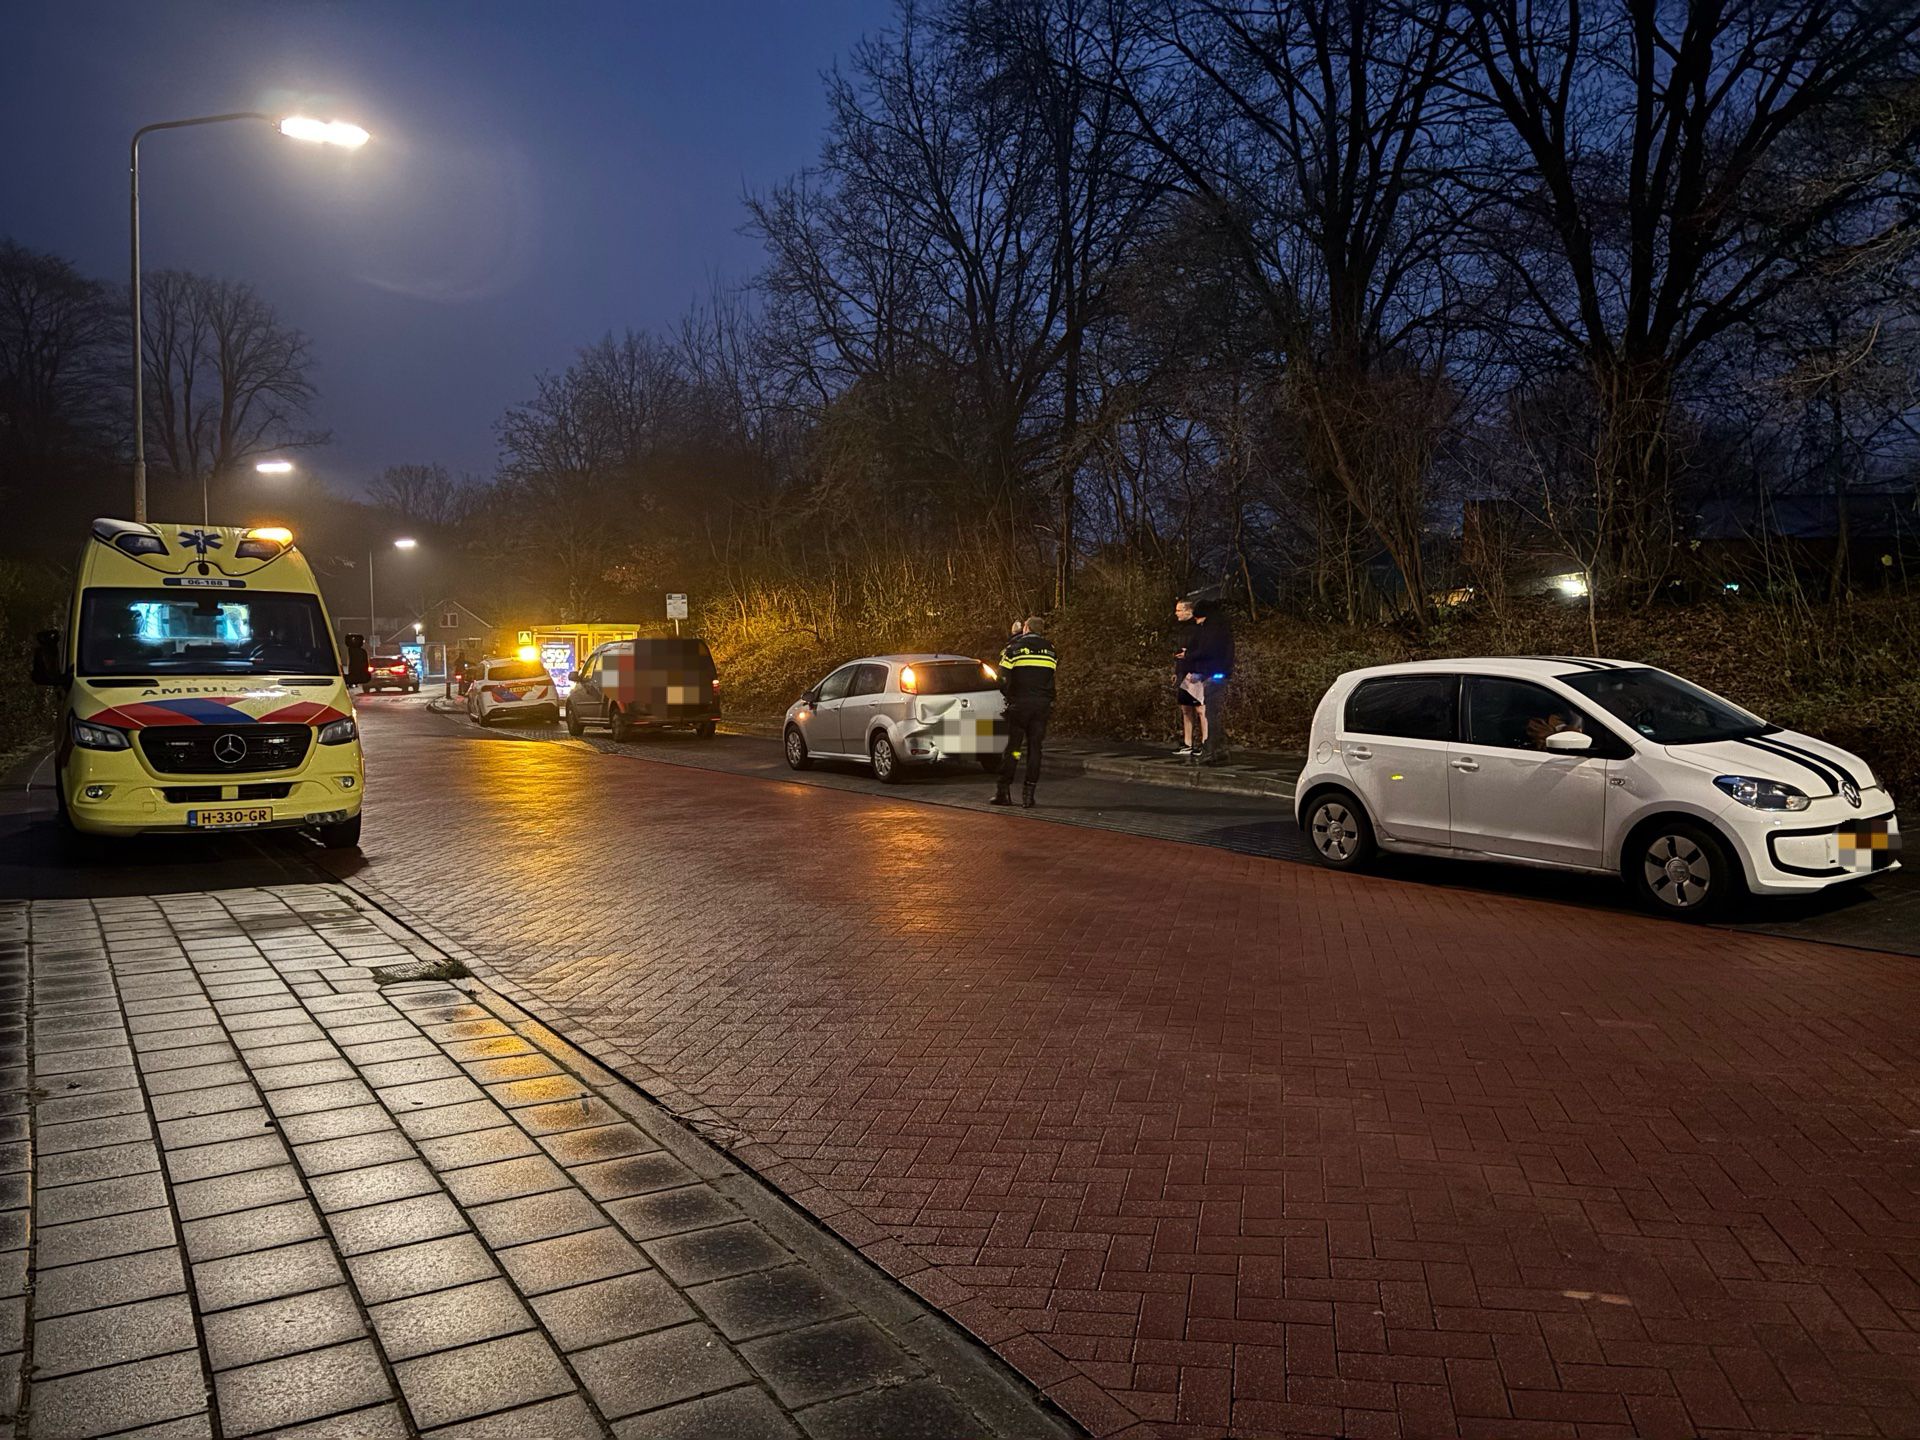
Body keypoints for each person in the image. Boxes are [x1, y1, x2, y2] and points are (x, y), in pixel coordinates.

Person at [993, 614, 1057, 808]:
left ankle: (1004, 791)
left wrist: (1010, 696)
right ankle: (1029, 795)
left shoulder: (1013, 650)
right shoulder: (1051, 651)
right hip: (1041, 707)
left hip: (1020, 706)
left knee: (1013, 749)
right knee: (1035, 749)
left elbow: (1002, 679)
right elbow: (1050, 677)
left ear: (1026, 629)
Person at [1180, 600, 1234, 764]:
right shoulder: (1222, 627)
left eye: (1198, 619)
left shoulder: (1212, 630)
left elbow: (1206, 650)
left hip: (1213, 675)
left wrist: (1188, 655)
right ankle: (1219, 750)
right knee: (1213, 713)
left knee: (1211, 715)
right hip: (1219, 674)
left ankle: (1213, 750)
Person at [1171, 597, 1203, 756]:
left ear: (1188, 611)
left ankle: (1204, 743)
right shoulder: (1180, 630)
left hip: (1195, 673)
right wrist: (1177, 672)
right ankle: (1187, 743)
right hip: (1183, 672)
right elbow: (1178, 653)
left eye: (1178, 610)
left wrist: (1198, 671)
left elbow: (1202, 651)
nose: (1176, 613)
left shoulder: (1199, 628)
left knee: (1200, 709)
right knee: (1185, 709)